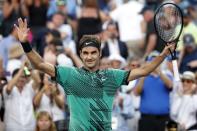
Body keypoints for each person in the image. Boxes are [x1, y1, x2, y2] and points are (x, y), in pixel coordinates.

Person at [15, 18, 175, 130]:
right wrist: (25, 43)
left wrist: (163, 54)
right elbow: (39, 64)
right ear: (81, 54)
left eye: (93, 52)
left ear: (99, 54)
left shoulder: (113, 76)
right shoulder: (69, 74)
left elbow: (144, 70)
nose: (89, 56)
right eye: (85, 53)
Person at [134, 51, 173, 131]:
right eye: (152, 60)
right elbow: (136, 93)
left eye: (157, 60)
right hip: (146, 119)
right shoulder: (142, 77)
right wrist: (144, 73)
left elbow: (170, 85)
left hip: (164, 118)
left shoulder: (167, 75)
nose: (155, 63)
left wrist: (159, 72)